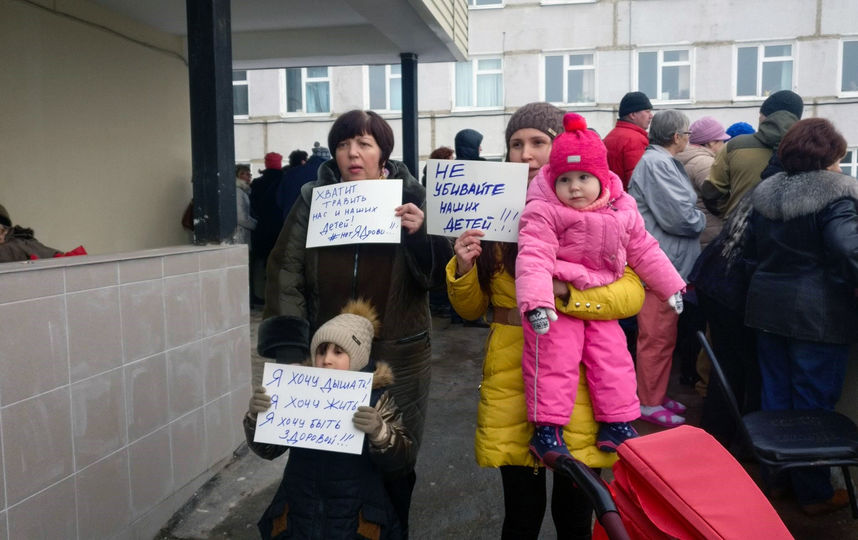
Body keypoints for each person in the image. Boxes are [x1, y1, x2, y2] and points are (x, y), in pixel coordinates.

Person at [447, 102, 645, 539]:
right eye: (516, 144)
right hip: (512, 380)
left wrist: (567, 296)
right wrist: (462, 267)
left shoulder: (598, 212)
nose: (525, 153)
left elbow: (632, 292)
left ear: (561, 150)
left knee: (576, 513)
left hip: (579, 379)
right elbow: (469, 310)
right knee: (520, 514)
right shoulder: (489, 212)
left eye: (538, 142)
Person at [258, 110, 451, 535]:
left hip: (399, 353)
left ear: (383, 152)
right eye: (344, 145)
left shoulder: (412, 195)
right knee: (326, 458)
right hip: (331, 351)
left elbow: (438, 280)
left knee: (393, 455)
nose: (352, 154)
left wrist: (420, 235)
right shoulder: (314, 197)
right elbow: (286, 268)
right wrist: (291, 347)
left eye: (364, 144)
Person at [515, 113, 685, 458]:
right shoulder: (544, 210)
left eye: (583, 177)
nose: (574, 187)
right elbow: (534, 255)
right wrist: (536, 303)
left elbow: (644, 248)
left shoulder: (622, 209)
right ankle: (547, 428)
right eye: (564, 179)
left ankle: (617, 422)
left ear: (602, 177)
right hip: (557, 300)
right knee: (552, 360)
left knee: (614, 359)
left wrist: (670, 287)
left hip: (602, 295)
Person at [742, 118, 858, 516]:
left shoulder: (766, 194)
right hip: (818, 314)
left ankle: (781, 481)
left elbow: (749, 252)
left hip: (765, 306)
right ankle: (815, 493)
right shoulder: (836, 195)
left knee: (776, 397)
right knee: (814, 405)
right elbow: (848, 250)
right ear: (830, 158)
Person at [245, 299, 415, 539]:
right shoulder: (297, 393)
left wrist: (380, 432)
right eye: (321, 351)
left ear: (357, 358)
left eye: (338, 352)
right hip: (300, 511)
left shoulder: (377, 399)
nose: (326, 359)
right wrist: (256, 418)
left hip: (354, 519)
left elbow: (402, 460)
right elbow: (268, 449)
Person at [627, 110, 706, 428]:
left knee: (663, 336)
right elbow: (682, 218)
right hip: (659, 268)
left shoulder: (659, 161)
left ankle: (655, 394)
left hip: (666, 265)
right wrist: (700, 218)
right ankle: (647, 402)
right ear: (676, 137)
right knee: (656, 337)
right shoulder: (657, 163)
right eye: (687, 133)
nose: (689, 138)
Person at [701, 90, 803, 218]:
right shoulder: (811, 150)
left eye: (760, 114)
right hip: (791, 232)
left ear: (765, 117)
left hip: (742, 229)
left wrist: (731, 213)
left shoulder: (734, 146)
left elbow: (711, 192)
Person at [250, 152, 286, 302]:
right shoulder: (285, 180)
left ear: (266, 163)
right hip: (281, 228)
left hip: (262, 229)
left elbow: (253, 206)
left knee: (261, 263)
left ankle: (261, 296)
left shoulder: (257, 183)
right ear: (279, 163)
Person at [603, 91, 654, 190]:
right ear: (633, 115)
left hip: (614, 197)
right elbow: (639, 181)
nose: (651, 115)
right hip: (629, 201)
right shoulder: (635, 140)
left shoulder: (610, 136)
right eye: (647, 111)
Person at [232, 164, 257, 246]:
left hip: (241, 234)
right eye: (245, 173)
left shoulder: (243, 191)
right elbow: (240, 217)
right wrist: (257, 225)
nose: (249, 176)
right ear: (238, 176)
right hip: (238, 235)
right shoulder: (238, 192)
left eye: (249, 173)